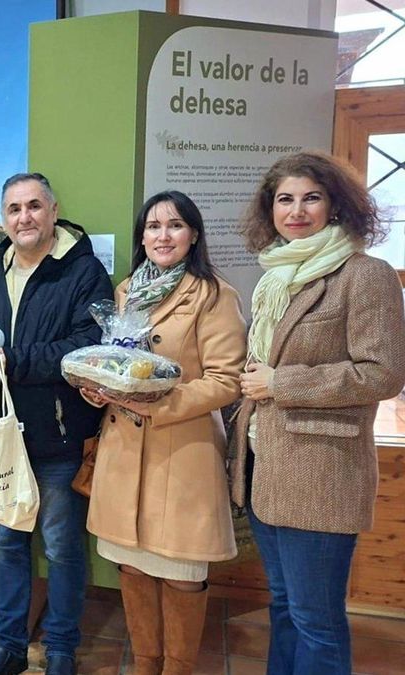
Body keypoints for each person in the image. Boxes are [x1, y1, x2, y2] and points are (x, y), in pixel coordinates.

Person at [231, 151, 405, 674]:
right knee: (283, 606)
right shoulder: (272, 279)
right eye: (285, 199)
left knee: (316, 619)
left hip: (321, 471)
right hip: (264, 465)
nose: (297, 210)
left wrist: (280, 383)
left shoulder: (366, 275)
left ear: (335, 205)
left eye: (311, 197)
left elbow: (383, 374)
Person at [81, 191, 245, 675]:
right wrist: (100, 390)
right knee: (130, 566)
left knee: (180, 572)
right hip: (123, 450)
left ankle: (176, 668)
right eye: (153, 227)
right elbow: (116, 363)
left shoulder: (214, 294)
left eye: (174, 225)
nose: (162, 235)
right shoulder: (126, 291)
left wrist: (158, 405)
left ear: (193, 234)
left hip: (182, 451)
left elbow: (225, 381)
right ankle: (144, 665)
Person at [0, 173, 112, 675]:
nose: (23, 217)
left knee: (62, 548)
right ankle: (8, 645)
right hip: (4, 434)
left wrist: (14, 358)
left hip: (59, 436)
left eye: (33, 207)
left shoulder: (83, 271)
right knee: (8, 543)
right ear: (3, 217)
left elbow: (86, 348)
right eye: (13, 209)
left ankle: (62, 649)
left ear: (52, 210)